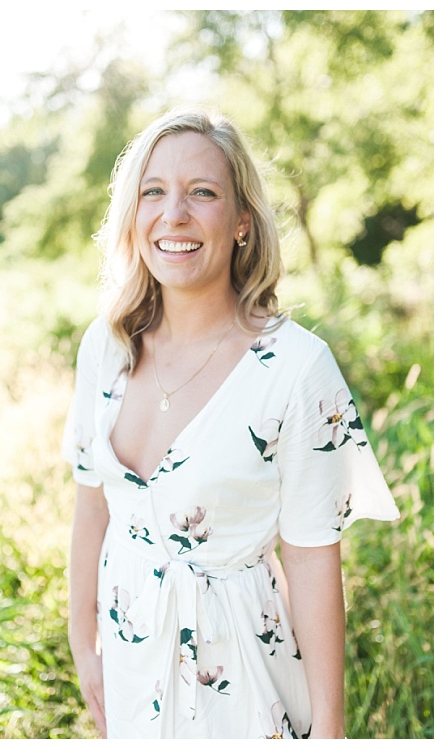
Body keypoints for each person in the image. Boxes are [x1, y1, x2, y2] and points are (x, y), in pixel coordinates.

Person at [62, 107, 398, 739]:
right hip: (131, 660)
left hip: (245, 676)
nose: (174, 215)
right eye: (153, 192)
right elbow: (91, 508)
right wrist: (85, 642)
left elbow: (312, 559)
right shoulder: (103, 348)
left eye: (203, 193)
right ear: (133, 215)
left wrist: (329, 727)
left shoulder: (296, 369)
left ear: (243, 221)